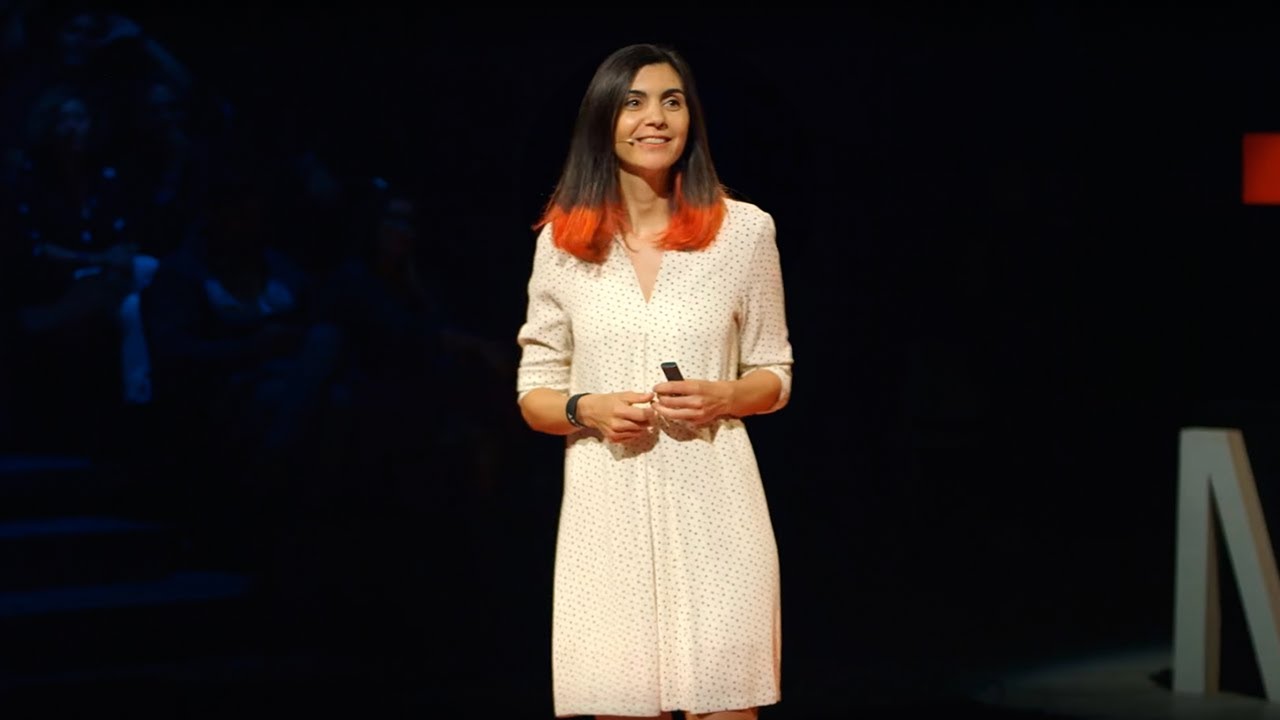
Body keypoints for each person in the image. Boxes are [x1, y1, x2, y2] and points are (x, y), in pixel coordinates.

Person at [515, 43, 794, 720]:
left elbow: (774, 372)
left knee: (726, 705)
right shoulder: (563, 244)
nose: (656, 118)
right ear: (603, 120)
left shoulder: (744, 232)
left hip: (717, 506)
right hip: (605, 515)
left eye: (672, 101)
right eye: (633, 103)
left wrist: (727, 395)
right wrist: (587, 408)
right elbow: (535, 392)